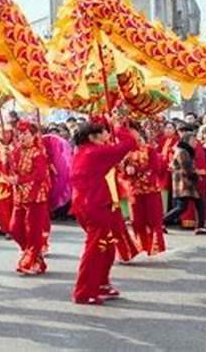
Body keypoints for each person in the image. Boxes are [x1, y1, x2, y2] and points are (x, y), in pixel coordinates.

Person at [70, 119, 137, 304]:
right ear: (94, 136)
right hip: (95, 206)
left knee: (106, 247)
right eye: (105, 132)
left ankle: (100, 284)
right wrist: (118, 126)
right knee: (96, 249)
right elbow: (130, 143)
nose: (108, 136)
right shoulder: (95, 152)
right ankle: (83, 292)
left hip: (89, 204)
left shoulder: (83, 151)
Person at [9, 121, 51, 275]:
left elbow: (39, 176)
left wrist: (19, 180)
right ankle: (34, 257)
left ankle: (29, 262)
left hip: (35, 196)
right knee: (14, 228)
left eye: (25, 133)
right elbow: (11, 170)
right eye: (20, 133)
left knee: (33, 231)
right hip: (19, 196)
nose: (22, 136)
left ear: (34, 136)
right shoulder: (16, 152)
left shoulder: (38, 153)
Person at [120, 129, 166, 255]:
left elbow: (155, 168)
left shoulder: (150, 150)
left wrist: (138, 172)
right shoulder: (126, 153)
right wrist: (127, 171)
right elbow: (122, 172)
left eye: (138, 138)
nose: (136, 141)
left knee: (153, 219)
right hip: (134, 191)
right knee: (137, 220)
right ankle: (142, 245)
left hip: (150, 190)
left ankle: (155, 247)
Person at [163, 133, 206, 234]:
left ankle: (200, 226)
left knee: (198, 203)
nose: (195, 142)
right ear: (187, 140)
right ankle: (162, 222)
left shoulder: (185, 151)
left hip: (186, 183)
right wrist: (197, 176)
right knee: (182, 207)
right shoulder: (182, 152)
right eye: (193, 140)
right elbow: (187, 168)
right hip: (184, 183)